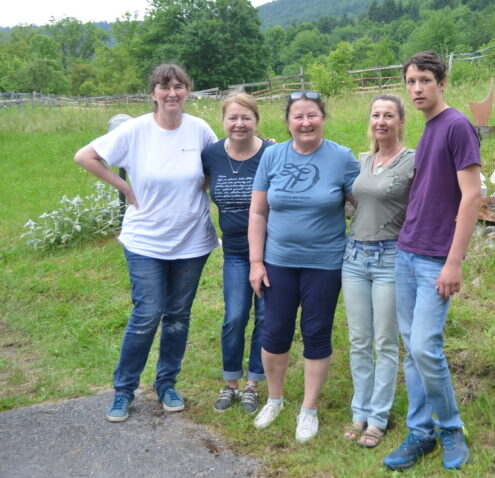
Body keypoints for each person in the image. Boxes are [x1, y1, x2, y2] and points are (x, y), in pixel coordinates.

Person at [74, 63, 219, 423]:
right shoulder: (135, 130)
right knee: (146, 315)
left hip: (192, 240)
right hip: (145, 241)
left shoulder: (199, 129)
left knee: (177, 318)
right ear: (153, 92)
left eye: (179, 86)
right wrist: (124, 187)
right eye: (164, 87)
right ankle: (124, 389)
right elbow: (85, 156)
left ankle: (166, 383)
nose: (172, 93)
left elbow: (220, 163)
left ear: (188, 91)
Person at [382, 51, 482, 471]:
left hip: (435, 259)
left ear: (442, 83)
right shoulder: (428, 130)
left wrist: (454, 262)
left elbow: (473, 194)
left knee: (425, 347)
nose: (417, 88)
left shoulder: (457, 126)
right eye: (410, 81)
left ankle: (451, 429)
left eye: (424, 80)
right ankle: (420, 433)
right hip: (407, 252)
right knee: (413, 351)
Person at [248, 91, 360, 442]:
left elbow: (366, 200)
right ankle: (275, 399)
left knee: (316, 333)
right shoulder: (272, 155)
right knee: (275, 332)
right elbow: (258, 211)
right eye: (298, 116)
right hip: (278, 262)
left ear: (322, 118)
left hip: (325, 263)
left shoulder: (341, 157)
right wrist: (255, 261)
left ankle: (308, 409)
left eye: (312, 115)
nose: (305, 122)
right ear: (288, 122)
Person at [341, 94, 415, 448]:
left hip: (390, 258)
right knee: (358, 339)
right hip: (353, 257)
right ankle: (359, 410)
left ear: (401, 121)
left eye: (388, 115)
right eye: (375, 115)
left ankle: (378, 417)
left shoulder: (412, 161)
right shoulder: (364, 160)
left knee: (385, 341)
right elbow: (351, 200)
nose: (381, 121)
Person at [202, 93, 272, 413]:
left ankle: (253, 384)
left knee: (265, 317)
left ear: (256, 120)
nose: (239, 124)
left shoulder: (272, 152)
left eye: (246, 118)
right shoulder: (212, 154)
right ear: (223, 121)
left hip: (272, 251)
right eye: (233, 118)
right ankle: (230, 382)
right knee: (234, 316)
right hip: (234, 252)